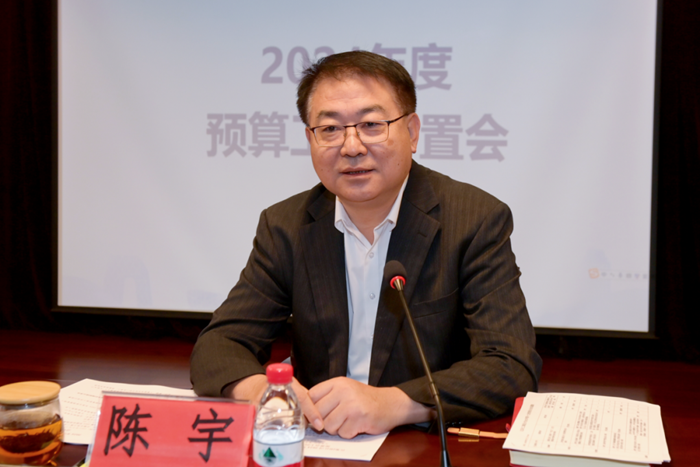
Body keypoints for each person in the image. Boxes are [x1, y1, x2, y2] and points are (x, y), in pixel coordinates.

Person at [190, 50, 542, 439]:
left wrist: (394, 404)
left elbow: (511, 364)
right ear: (310, 139)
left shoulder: (473, 220)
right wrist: (265, 392)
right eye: (330, 129)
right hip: (319, 444)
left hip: (421, 444)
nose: (352, 146)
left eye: (372, 125)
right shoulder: (286, 226)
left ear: (412, 132)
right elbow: (219, 345)